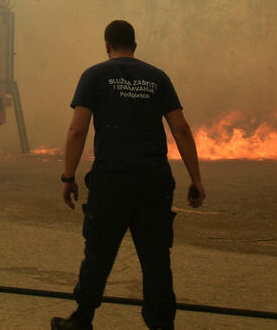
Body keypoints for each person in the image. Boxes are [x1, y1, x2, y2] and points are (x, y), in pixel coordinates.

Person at [52, 20, 205, 330]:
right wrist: (196, 179)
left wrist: (68, 177)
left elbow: (77, 130)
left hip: (111, 181)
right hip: (153, 181)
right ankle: (161, 325)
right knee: (156, 258)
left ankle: (81, 319)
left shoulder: (94, 76)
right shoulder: (157, 77)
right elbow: (181, 129)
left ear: (107, 45)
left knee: (99, 253)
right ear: (134, 45)